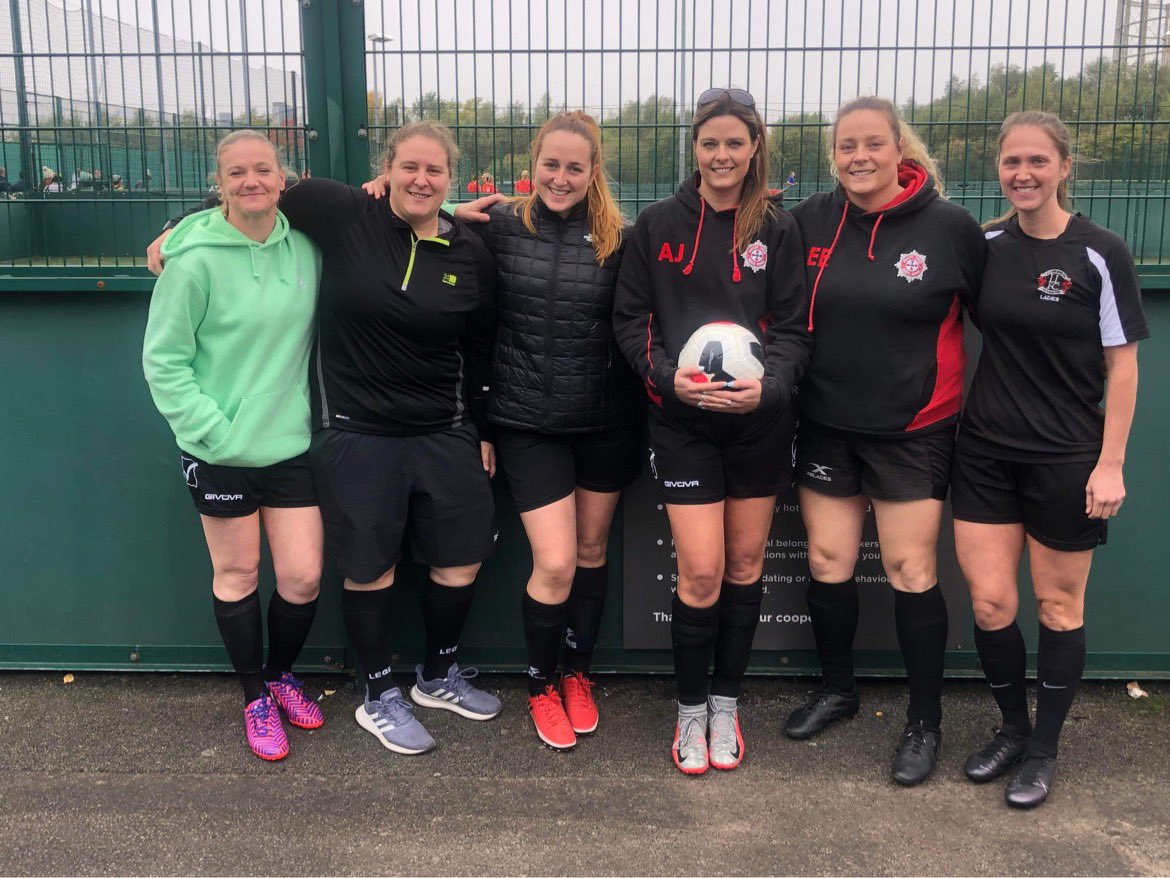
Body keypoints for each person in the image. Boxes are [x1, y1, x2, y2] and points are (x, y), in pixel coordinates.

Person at [147, 121, 503, 757]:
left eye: (435, 171)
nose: (420, 179)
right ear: (384, 170)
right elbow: (244, 199)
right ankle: (362, 693)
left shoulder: (464, 246)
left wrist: (480, 426)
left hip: (412, 432)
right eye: (408, 167)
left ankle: (433, 677)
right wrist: (183, 226)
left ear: (451, 178)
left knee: (340, 573)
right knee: (331, 570)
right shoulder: (339, 215)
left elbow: (479, 347)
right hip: (342, 433)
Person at [784, 96, 985, 786]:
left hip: (913, 431)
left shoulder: (951, 228)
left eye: (873, 144)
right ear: (832, 153)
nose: (859, 158)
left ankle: (924, 722)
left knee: (910, 572)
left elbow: (1004, 313)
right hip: (825, 425)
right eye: (846, 147)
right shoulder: (809, 219)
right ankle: (839, 689)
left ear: (899, 148)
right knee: (829, 560)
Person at [613, 88, 811, 775]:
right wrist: (669, 379)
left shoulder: (778, 230)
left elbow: (793, 327)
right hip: (683, 426)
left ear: (755, 147)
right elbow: (631, 321)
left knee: (745, 567)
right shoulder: (657, 226)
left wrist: (772, 386)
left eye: (735, 142)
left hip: (759, 424)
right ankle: (690, 708)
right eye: (709, 142)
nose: (722, 154)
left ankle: (727, 702)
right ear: (693, 149)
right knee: (700, 573)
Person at [953, 111, 1147, 808]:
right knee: (990, 601)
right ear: (999, 169)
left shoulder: (1100, 252)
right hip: (983, 453)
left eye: (1038, 161)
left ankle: (1044, 750)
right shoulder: (986, 245)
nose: (1024, 174)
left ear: (1066, 167)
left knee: (1058, 606)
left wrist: (1111, 463)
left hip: (1066, 457)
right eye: (1012, 162)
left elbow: (1121, 368)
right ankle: (1012, 729)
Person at [142, 130, 326, 762]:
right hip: (219, 449)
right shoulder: (192, 259)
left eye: (264, 170)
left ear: (283, 178)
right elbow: (164, 361)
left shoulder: (306, 249)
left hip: (290, 445)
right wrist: (213, 431)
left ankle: (281, 676)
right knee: (239, 573)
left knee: (302, 578)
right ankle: (255, 695)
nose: (252, 182)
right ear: (218, 184)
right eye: (238, 173)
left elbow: (379, 219)